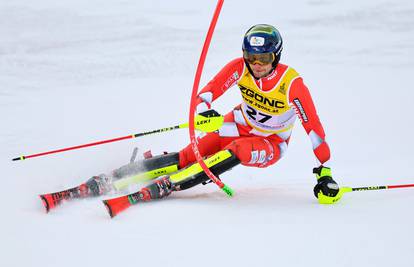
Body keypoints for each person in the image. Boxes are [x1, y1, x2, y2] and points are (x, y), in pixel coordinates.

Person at [41, 24, 342, 213]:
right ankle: (118, 176)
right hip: (238, 123)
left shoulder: (292, 84)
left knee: (236, 151)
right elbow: (208, 93)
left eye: (263, 59)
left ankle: (170, 184)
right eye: (251, 58)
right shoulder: (240, 67)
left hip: (271, 142)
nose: (257, 65)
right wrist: (207, 111)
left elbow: (314, 130)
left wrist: (324, 172)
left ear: (276, 57)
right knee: (188, 154)